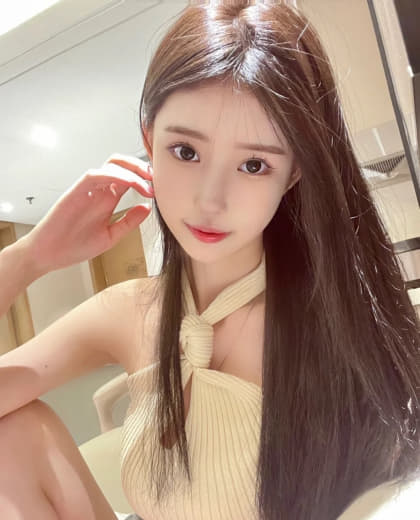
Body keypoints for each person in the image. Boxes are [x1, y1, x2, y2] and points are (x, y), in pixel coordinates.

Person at [1, 1, 420, 519]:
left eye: (253, 164)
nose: (210, 200)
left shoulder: (332, 320)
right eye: (186, 152)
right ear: (149, 141)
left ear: (292, 174)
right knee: (11, 434)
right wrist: (27, 258)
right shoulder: (130, 310)